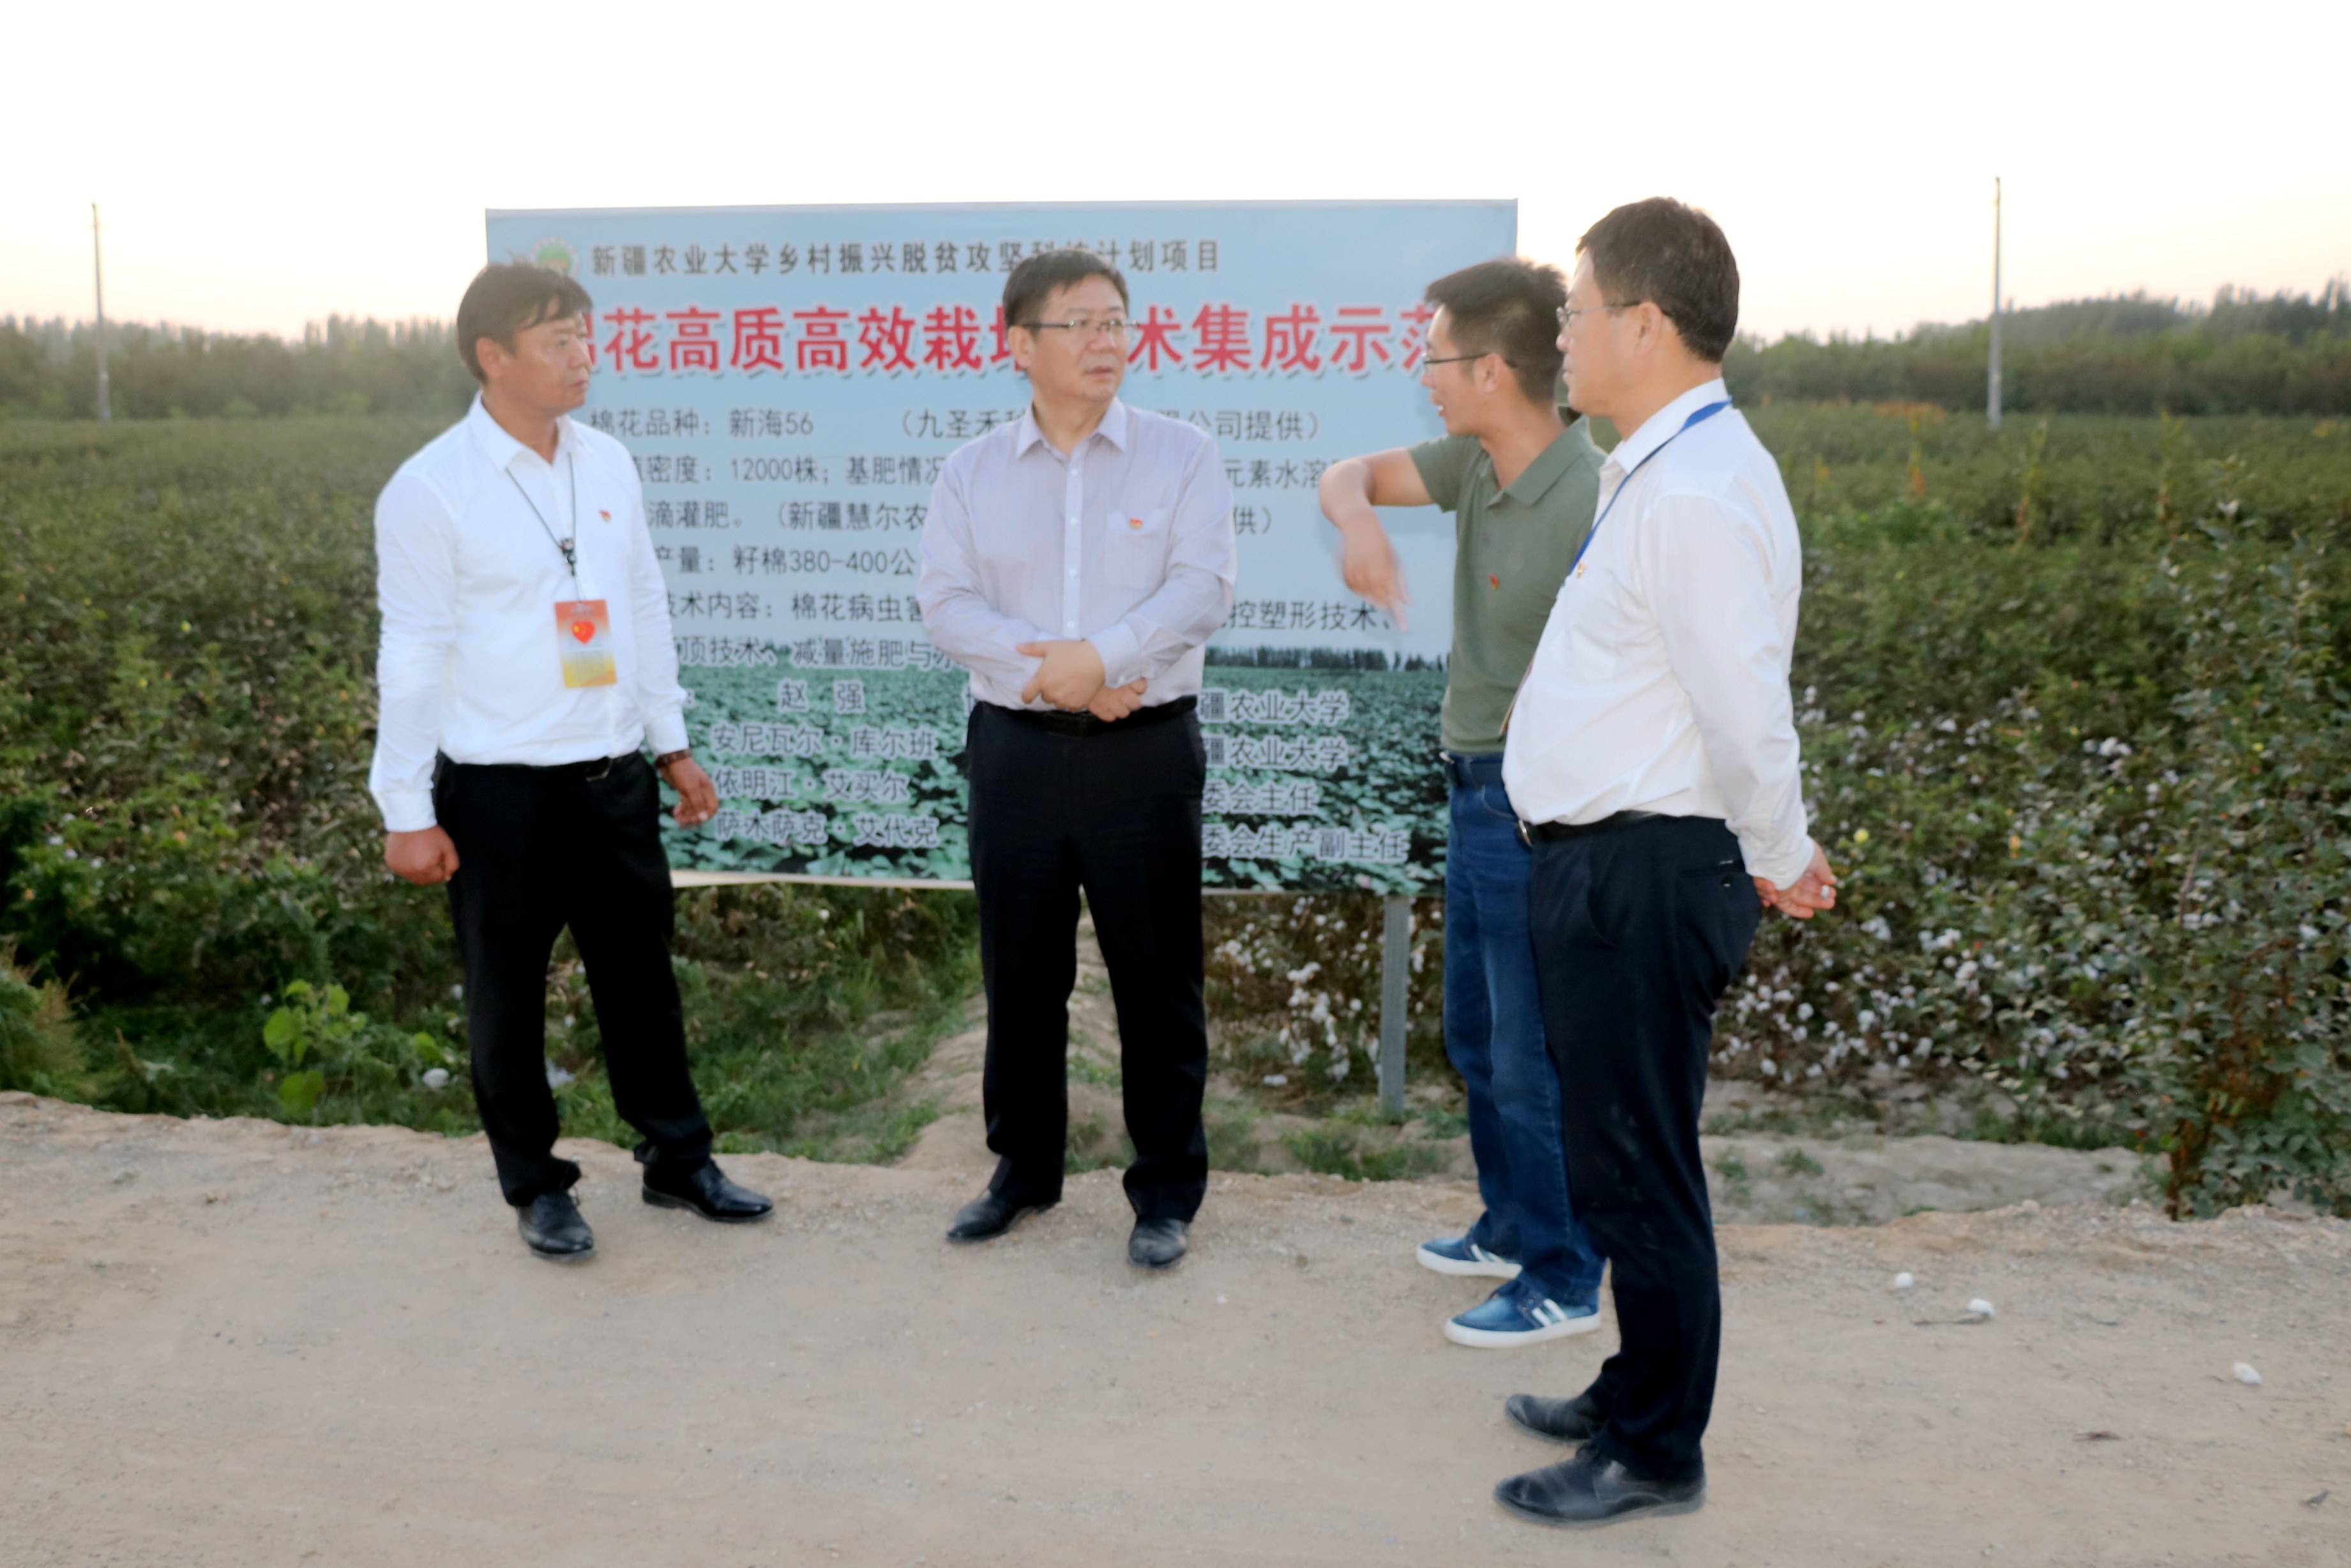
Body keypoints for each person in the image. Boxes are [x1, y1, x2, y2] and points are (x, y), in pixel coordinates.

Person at [1488, 200, 1839, 1527]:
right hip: (1613, 867)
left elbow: (1744, 708)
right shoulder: (1665, 465)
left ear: (1641, 323)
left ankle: (1652, 1451)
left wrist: (1781, 850)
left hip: (1642, 874)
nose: (1559, 334)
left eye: (1575, 309)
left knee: (1638, 1165)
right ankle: (1634, 1383)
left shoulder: (1691, 490)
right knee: (1618, 1151)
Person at [370, 262, 771, 1262]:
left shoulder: (609, 463)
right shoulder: (430, 490)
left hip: (612, 777)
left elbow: (639, 608)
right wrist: (404, 808)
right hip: (498, 792)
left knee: (641, 983)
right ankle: (536, 1185)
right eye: (558, 340)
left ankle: (678, 1161)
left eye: (587, 335)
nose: (583, 355)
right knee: (505, 995)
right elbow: (411, 652)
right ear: (490, 357)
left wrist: (669, 743)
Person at [919, 249, 1236, 1270]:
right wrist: (1060, 673)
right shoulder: (970, 471)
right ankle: (1022, 1173)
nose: (1106, 341)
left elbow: (1200, 589)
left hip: (1143, 752)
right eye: (1081, 324)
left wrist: (1104, 659)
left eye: (1116, 321)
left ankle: (1166, 1189)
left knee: (1155, 979)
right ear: (1019, 345)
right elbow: (948, 605)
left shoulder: (1181, 455)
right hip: (1014, 750)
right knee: (1020, 973)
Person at [1316, 258, 1608, 1348]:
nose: (1421, 375)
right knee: (1478, 1035)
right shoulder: (1477, 463)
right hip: (1474, 788)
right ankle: (1510, 1221)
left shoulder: (1594, 497)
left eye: (1435, 357)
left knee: (1536, 1057)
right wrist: (1358, 524)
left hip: (1542, 808)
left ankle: (1564, 1274)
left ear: (1491, 368)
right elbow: (1344, 474)